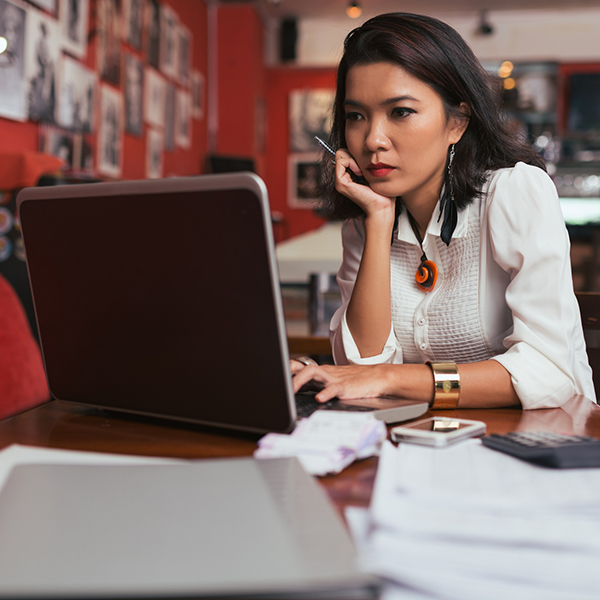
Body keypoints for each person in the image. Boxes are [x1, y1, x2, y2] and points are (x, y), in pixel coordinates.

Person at [291, 13, 595, 411]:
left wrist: (391, 378)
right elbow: (362, 367)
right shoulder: (365, 221)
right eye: (356, 116)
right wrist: (379, 222)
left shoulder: (513, 192)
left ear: (457, 122)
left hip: (538, 444)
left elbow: (550, 374)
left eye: (400, 111)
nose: (372, 140)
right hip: (427, 443)